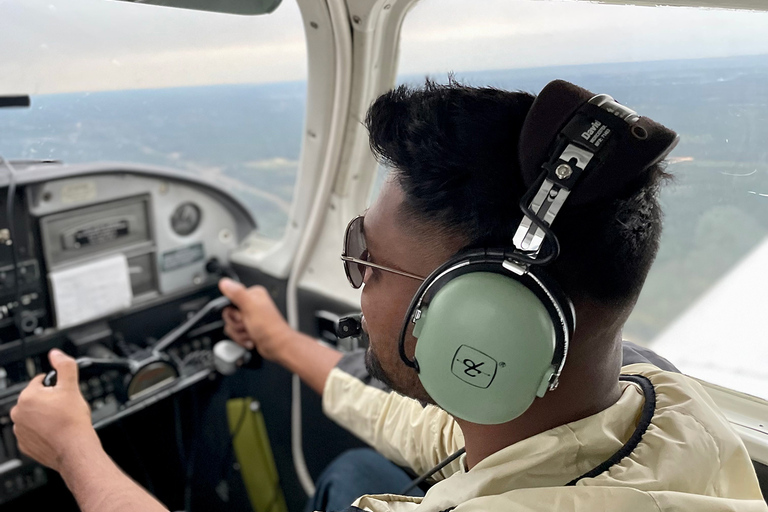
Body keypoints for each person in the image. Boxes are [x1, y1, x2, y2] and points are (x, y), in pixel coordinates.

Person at [10, 79, 767, 512]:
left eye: (367, 263)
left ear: (485, 323)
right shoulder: (666, 403)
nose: (358, 288)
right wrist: (280, 343)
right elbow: (428, 432)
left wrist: (74, 447)